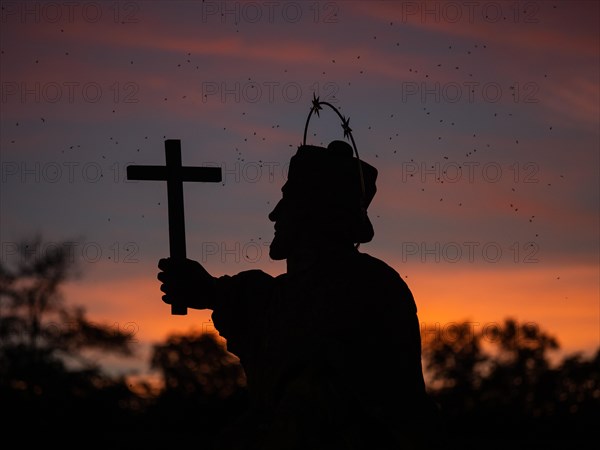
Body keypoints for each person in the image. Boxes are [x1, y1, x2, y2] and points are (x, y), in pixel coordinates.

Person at [158, 140, 443, 449]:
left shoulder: (368, 285)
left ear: (316, 210)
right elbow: (257, 299)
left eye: (287, 199)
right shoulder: (285, 293)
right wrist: (208, 289)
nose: (274, 214)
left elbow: (391, 405)